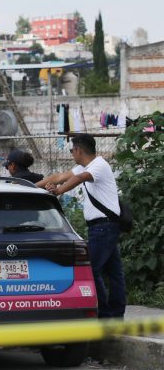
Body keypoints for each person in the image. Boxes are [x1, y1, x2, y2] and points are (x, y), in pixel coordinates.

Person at [36, 134, 125, 319]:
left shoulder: (98, 166)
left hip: (103, 227)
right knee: (113, 272)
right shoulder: (85, 166)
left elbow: (80, 178)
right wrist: (29, 186)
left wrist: (59, 191)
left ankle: (106, 315)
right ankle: (115, 314)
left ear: (78, 150)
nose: (71, 154)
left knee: (92, 269)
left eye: (71, 150)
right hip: (103, 227)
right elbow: (59, 176)